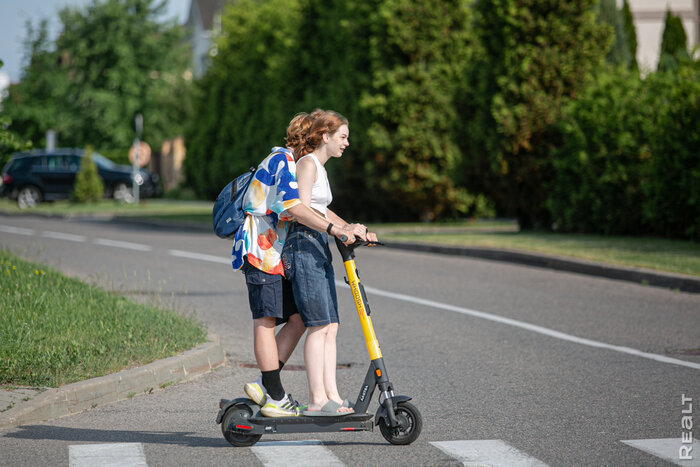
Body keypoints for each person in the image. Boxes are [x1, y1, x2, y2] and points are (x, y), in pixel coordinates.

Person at [232, 112, 356, 418]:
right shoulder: (284, 162)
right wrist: (335, 229)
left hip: (277, 251)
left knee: (301, 317)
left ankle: (265, 385)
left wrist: (350, 227)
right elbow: (295, 207)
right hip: (261, 251)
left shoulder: (296, 164)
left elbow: (316, 207)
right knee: (266, 319)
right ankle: (274, 393)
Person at [281, 110, 377, 416]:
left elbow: (323, 209)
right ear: (325, 136)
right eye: (343, 137)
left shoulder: (320, 168)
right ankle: (316, 401)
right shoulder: (307, 164)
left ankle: (332, 395)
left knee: (331, 325)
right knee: (318, 325)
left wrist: (352, 228)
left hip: (317, 245)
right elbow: (301, 211)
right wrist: (337, 230)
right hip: (303, 246)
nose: (347, 143)